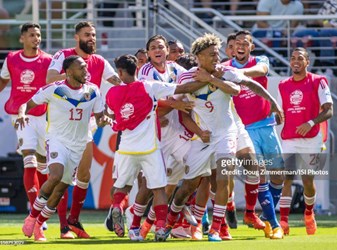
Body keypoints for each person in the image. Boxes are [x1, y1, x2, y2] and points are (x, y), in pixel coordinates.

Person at [165, 33, 283, 242]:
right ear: (199, 56)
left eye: (217, 54)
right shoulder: (186, 76)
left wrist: (272, 100)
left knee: (227, 178)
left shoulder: (224, 71)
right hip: (203, 138)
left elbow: (243, 87)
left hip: (228, 132)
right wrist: (180, 106)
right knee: (190, 185)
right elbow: (176, 97)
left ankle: (219, 228)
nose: (217, 58)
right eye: (211, 55)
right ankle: (170, 222)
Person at [106, 54, 208, 242]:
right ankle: (161, 227)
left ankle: (117, 208)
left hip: (126, 147)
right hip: (150, 147)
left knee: (123, 186)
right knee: (159, 189)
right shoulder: (149, 86)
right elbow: (182, 88)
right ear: (136, 68)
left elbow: (111, 113)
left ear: (120, 72)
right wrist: (205, 81)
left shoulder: (112, 93)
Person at [20, 55, 112, 242]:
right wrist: (22, 115)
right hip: (57, 140)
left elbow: (100, 117)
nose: (86, 71)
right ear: (68, 72)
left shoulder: (93, 91)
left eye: (86, 67)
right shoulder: (55, 89)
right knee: (55, 175)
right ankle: (31, 216)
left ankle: (39, 225)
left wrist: (105, 120)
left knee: (61, 188)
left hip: (78, 145)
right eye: (81, 68)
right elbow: (27, 104)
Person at [46, 21, 121, 239]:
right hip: (63, 123)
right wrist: (72, 76)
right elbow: (49, 79)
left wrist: (138, 88)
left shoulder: (99, 61)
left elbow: (117, 81)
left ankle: (74, 221)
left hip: (87, 123)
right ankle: (62, 227)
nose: (92, 38)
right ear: (77, 37)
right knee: (63, 176)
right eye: (87, 34)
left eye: (94, 35)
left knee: (85, 174)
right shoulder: (63, 55)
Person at [223, 30, 285, 239]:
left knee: (278, 175)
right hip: (245, 129)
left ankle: (265, 216)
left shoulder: (259, 60)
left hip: (266, 125)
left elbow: (262, 70)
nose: (241, 46)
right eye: (237, 42)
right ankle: (274, 225)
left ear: (251, 46)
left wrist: (237, 75)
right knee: (259, 174)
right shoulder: (225, 67)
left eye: (245, 43)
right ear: (232, 47)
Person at [278, 47, 333, 235]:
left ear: (307, 62)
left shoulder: (319, 81)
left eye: (300, 58)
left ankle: (309, 213)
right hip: (289, 139)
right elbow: (281, 113)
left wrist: (311, 122)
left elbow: (329, 110)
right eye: (292, 58)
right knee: (287, 178)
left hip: (311, 140)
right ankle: (283, 221)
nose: (295, 61)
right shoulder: (283, 85)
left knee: (307, 181)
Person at [0, 23, 51, 220]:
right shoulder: (12, 59)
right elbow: (3, 80)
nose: (36, 38)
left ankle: (42, 209)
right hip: (20, 116)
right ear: (22, 38)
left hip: (43, 115)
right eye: (31, 35)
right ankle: (35, 214)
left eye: (38, 35)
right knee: (29, 160)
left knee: (43, 165)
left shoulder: (48, 60)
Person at [293, 0, 337, 69]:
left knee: (326, 33)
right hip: (325, 30)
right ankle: (295, 69)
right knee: (299, 34)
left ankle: (326, 68)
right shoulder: (330, 1)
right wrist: (325, 23)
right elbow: (319, 18)